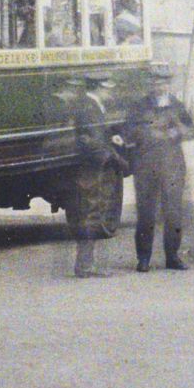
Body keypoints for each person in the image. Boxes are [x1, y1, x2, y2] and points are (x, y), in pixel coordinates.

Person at [129, 59, 194, 271]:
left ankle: (173, 257)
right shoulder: (139, 107)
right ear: (150, 83)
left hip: (172, 166)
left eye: (163, 82)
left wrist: (178, 131)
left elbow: (191, 129)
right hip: (146, 166)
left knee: (174, 213)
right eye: (155, 82)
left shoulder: (177, 105)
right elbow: (128, 131)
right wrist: (149, 134)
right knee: (146, 213)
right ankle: (144, 258)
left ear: (169, 84)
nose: (159, 86)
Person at [70, 74, 127, 278]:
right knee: (90, 213)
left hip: (93, 166)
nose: (109, 91)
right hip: (92, 168)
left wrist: (110, 136)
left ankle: (86, 264)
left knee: (92, 212)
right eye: (106, 87)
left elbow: (95, 135)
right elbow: (89, 141)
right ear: (97, 87)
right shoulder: (88, 107)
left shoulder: (92, 104)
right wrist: (114, 155)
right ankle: (84, 266)